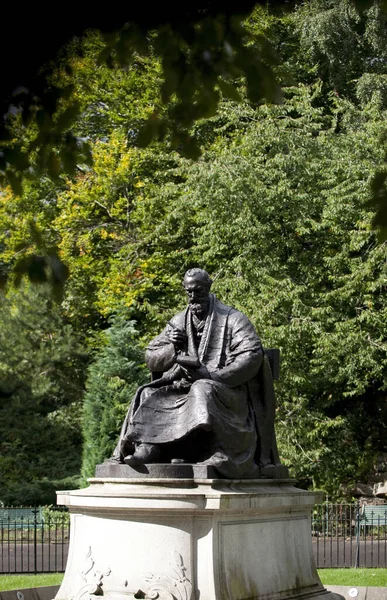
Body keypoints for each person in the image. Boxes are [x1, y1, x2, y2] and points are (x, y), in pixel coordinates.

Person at [111, 268, 280, 478]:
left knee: (202, 389)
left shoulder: (233, 319)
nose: (193, 297)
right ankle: (152, 446)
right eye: (189, 292)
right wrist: (172, 347)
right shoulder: (179, 321)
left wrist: (212, 377)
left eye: (198, 291)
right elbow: (151, 358)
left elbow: (251, 355)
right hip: (183, 388)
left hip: (227, 392)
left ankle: (208, 450)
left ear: (208, 288)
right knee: (148, 392)